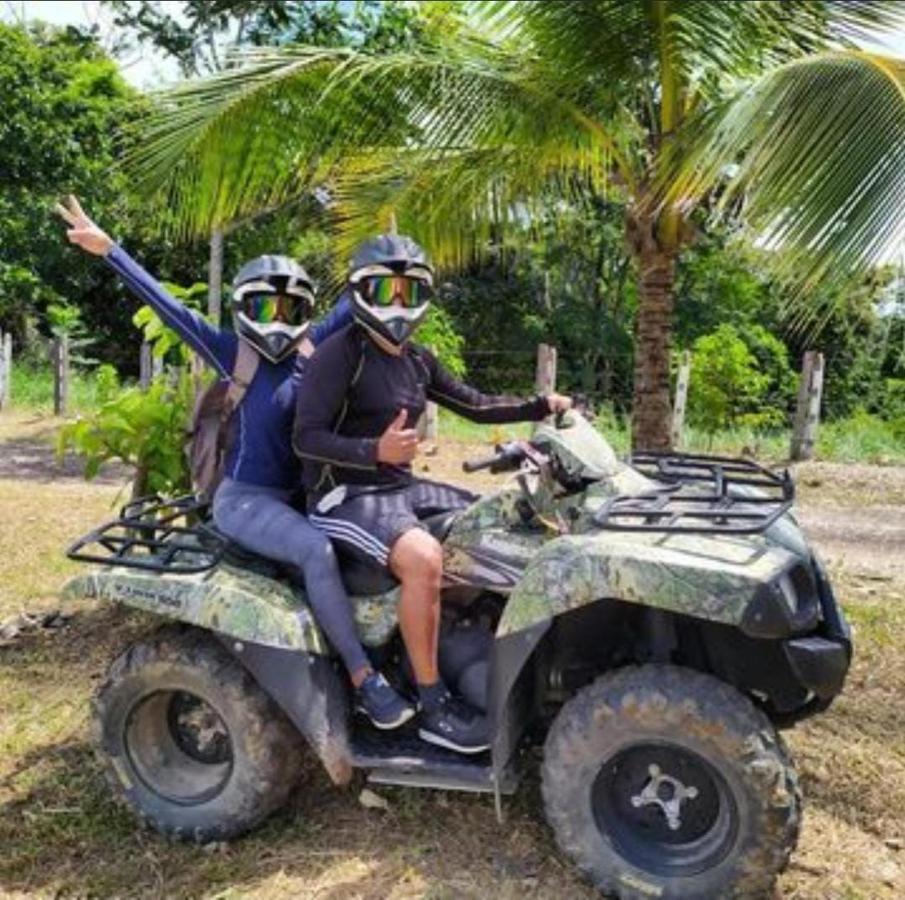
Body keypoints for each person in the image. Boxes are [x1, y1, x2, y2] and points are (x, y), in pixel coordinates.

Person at [55, 197, 416, 730]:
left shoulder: (314, 351)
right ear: (245, 309)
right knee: (316, 552)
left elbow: (366, 296)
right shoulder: (232, 353)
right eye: (265, 308)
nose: (279, 321)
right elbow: (168, 308)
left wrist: (395, 255)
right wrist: (110, 250)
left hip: (306, 497)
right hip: (247, 500)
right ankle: (365, 680)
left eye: (290, 310)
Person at [294, 233, 571, 754]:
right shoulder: (338, 355)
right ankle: (432, 702)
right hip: (341, 496)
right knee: (423, 557)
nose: (397, 305)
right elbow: (305, 439)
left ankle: (472, 638)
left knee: (492, 517)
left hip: (399, 487)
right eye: (383, 292)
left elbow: (476, 404)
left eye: (408, 291)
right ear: (359, 294)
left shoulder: (417, 359)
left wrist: (542, 407)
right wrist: (372, 451)